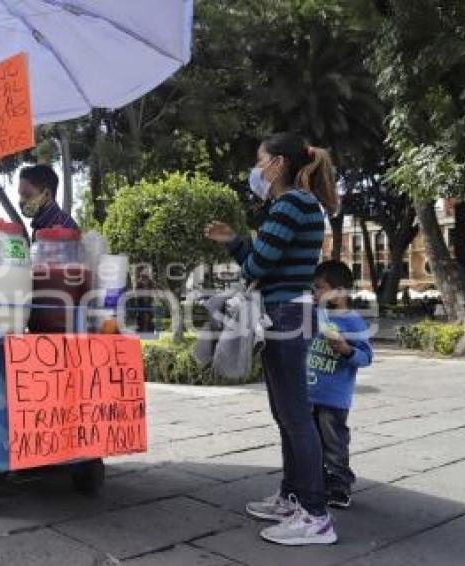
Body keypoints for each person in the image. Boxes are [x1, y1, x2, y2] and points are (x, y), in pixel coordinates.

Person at [206, 132, 339, 546]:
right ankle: (293, 495)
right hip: (285, 312)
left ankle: (315, 515)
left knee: (295, 416)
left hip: (285, 313)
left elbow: (258, 265)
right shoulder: (296, 204)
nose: (255, 169)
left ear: (277, 163)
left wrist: (234, 242)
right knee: (286, 413)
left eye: (259, 160)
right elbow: (266, 261)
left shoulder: (290, 204)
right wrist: (242, 245)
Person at [308, 261, 373, 509]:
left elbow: (366, 357)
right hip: (309, 392)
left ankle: (340, 485)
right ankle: (317, 481)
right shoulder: (314, 315)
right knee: (311, 443)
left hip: (334, 397)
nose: (316, 294)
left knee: (334, 443)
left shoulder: (353, 321)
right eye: (314, 289)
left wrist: (346, 350)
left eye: (321, 288)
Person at [17, 164, 78, 241]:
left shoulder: (62, 226)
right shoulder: (42, 224)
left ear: (47, 194)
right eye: (20, 195)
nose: (21, 201)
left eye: (27, 195)